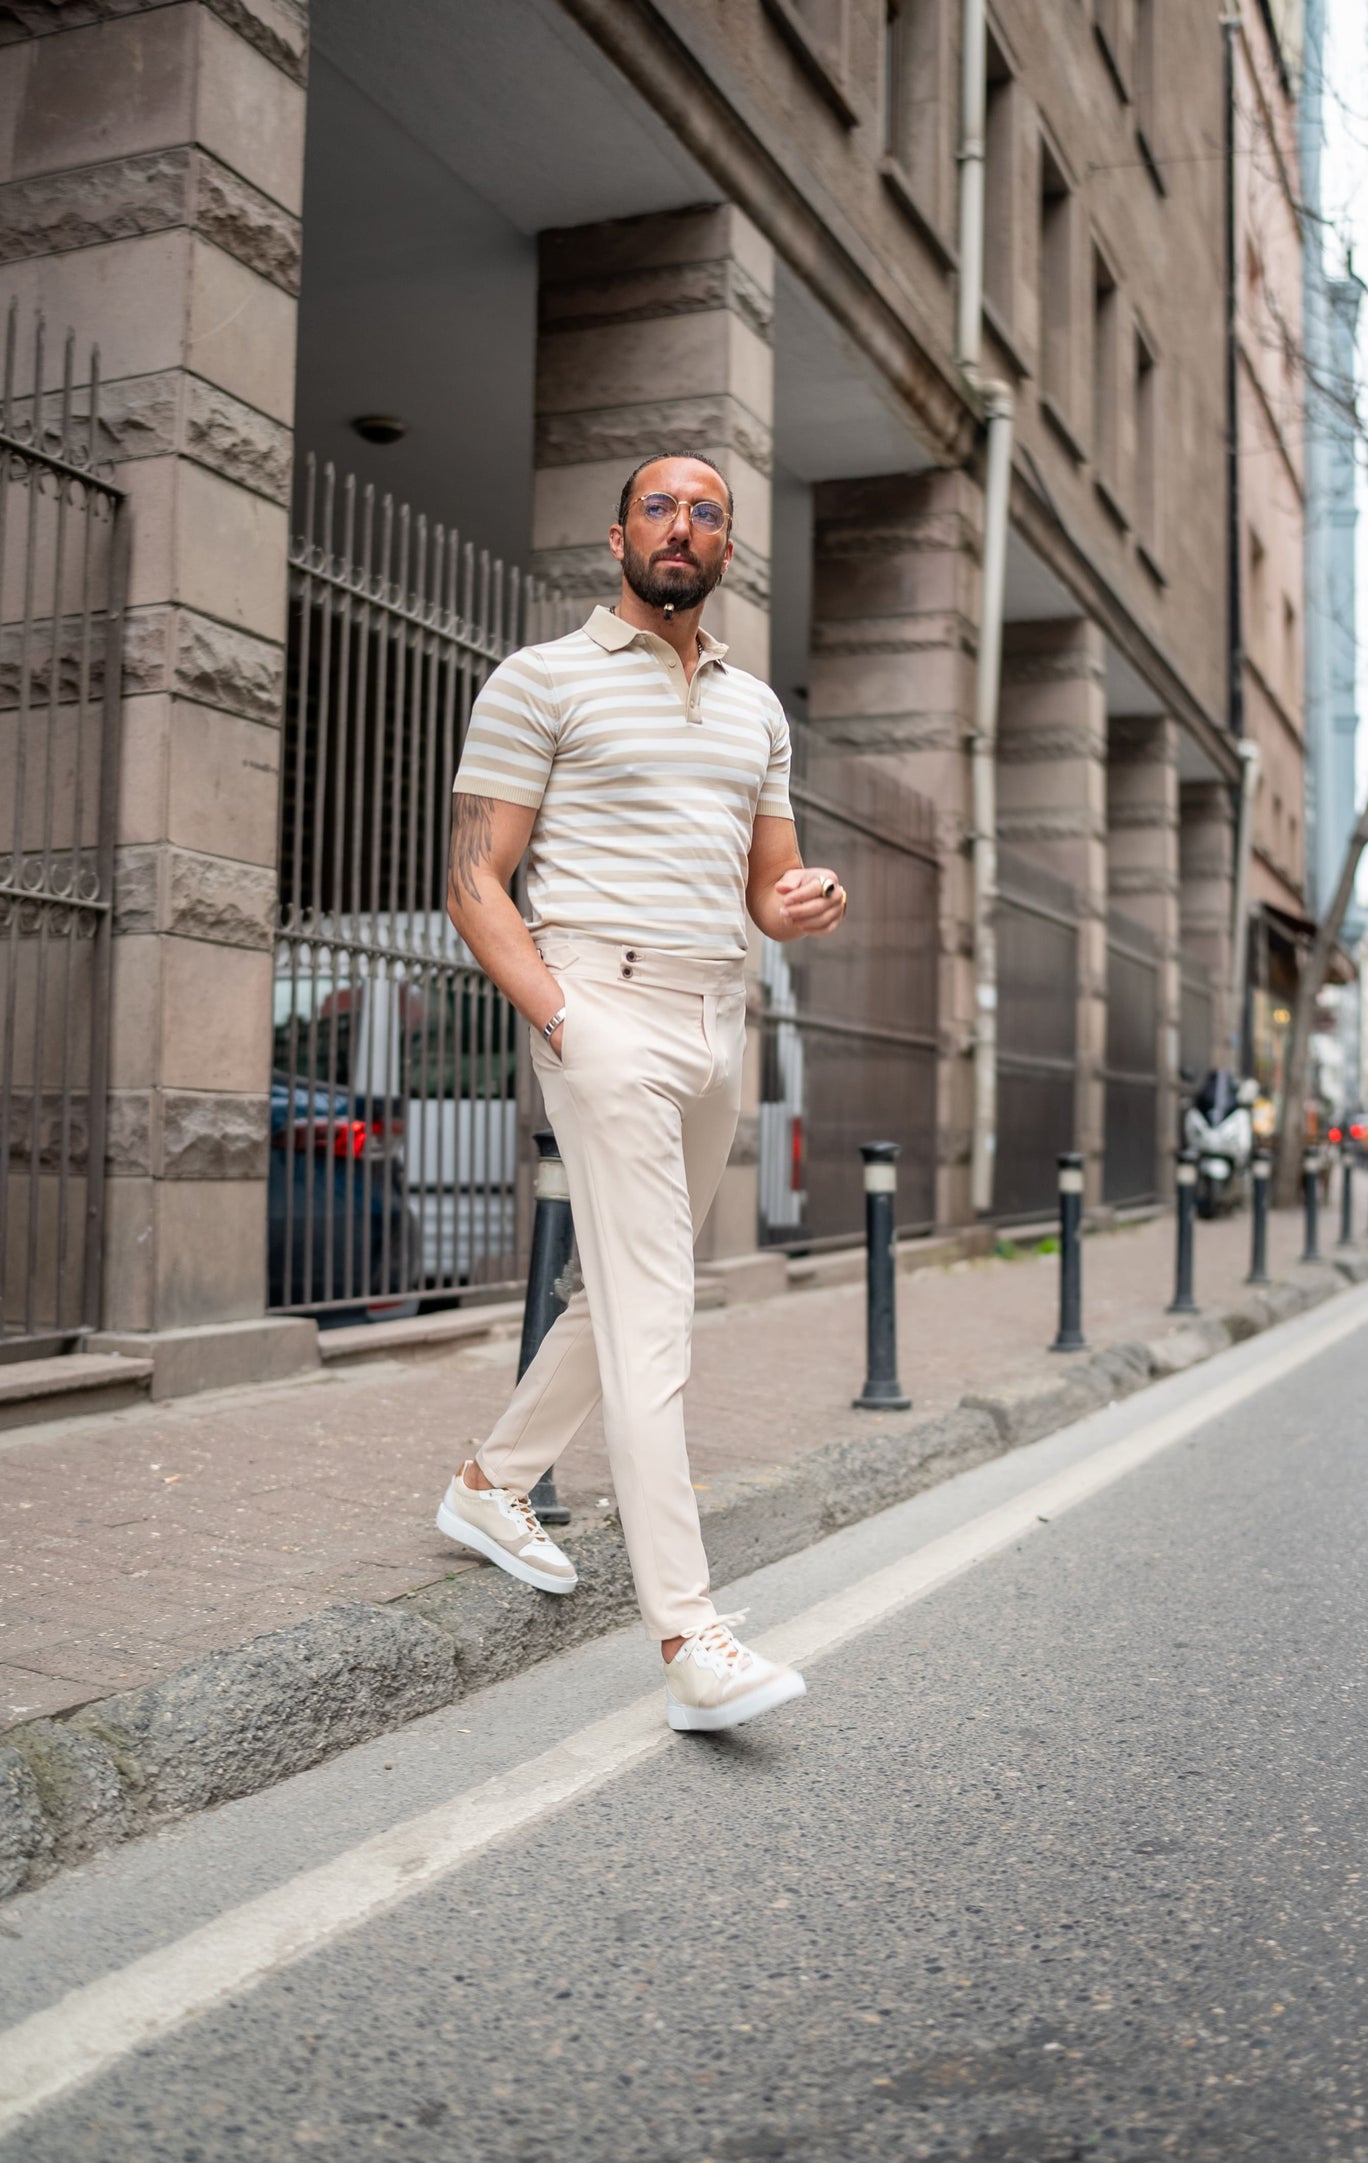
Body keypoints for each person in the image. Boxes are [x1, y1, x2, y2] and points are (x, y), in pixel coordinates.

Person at [436, 450, 847, 1732]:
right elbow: (473, 878)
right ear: (616, 534)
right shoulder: (539, 680)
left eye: (706, 513)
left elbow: (763, 890)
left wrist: (801, 903)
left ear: (728, 549)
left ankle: (489, 1484)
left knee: (618, 1287)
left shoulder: (755, 711)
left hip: (715, 1014)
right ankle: (690, 1634)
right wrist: (562, 1019)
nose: (682, 526)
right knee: (659, 1302)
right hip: (596, 1003)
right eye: (660, 507)